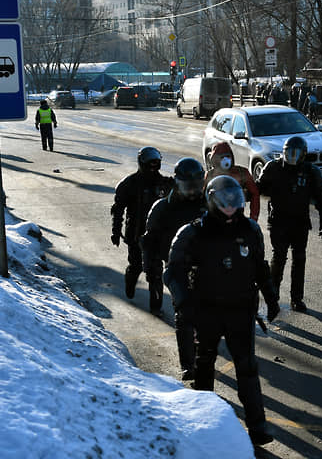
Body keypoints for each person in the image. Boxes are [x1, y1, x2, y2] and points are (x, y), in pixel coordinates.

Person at [163, 175, 280, 447]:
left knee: (248, 368)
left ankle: (258, 427)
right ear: (212, 201)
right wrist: (185, 305)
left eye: (234, 201)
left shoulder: (251, 229)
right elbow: (173, 272)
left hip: (241, 310)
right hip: (207, 311)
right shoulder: (193, 232)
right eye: (224, 202)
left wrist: (271, 298)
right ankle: (206, 426)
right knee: (204, 367)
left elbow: (260, 266)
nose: (230, 208)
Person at [141, 158, 207, 378]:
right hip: (176, 267)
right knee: (184, 312)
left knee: (206, 313)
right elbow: (148, 241)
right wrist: (150, 267)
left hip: (206, 266)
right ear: (178, 183)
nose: (192, 191)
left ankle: (201, 347)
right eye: (188, 186)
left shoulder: (209, 203)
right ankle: (188, 364)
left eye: (197, 185)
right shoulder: (163, 207)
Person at [256, 136, 322, 313]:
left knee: (299, 259)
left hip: (300, 221)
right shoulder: (273, 167)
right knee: (279, 257)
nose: (292, 156)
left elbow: (321, 195)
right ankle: (272, 297)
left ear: (303, 155)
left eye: (296, 153)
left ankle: (297, 298)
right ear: (283, 152)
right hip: (279, 220)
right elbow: (258, 188)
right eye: (289, 152)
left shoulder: (311, 171)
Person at [111, 146, 174, 300]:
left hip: (157, 236)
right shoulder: (129, 183)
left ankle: (156, 306)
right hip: (136, 234)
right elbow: (118, 208)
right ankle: (130, 281)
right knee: (136, 266)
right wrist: (116, 230)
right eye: (149, 162)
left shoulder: (166, 184)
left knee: (156, 273)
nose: (153, 166)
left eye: (155, 162)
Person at [205, 141, 260, 221]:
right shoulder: (210, 175)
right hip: (215, 219)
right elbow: (201, 198)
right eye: (222, 157)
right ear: (215, 159)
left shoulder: (242, 172)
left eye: (228, 156)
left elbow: (255, 194)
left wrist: (253, 218)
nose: (226, 160)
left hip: (237, 218)